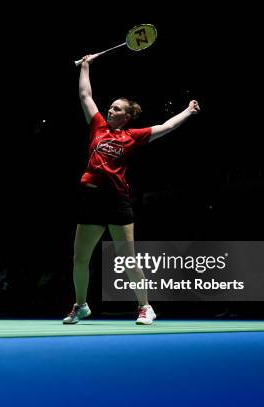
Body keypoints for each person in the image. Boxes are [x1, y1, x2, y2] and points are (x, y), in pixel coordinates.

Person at [63, 54, 201, 325]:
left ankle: (145, 307)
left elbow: (166, 126)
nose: (110, 110)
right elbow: (85, 95)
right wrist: (86, 66)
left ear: (127, 116)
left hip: (116, 200)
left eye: (116, 109)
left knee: (127, 258)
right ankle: (80, 306)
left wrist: (187, 111)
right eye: (110, 107)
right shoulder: (98, 127)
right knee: (80, 258)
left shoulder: (132, 137)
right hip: (90, 198)